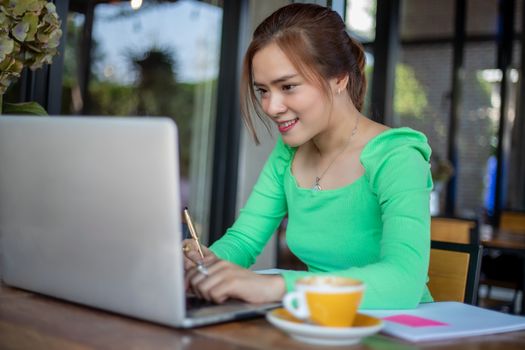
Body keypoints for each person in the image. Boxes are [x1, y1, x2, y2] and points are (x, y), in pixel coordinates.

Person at [183, 3, 433, 309]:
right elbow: (243, 241)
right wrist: (204, 263)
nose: (271, 107)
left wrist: (275, 286)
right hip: (319, 324)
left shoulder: (397, 156)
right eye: (262, 90)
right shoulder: (288, 154)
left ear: (340, 78)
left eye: (288, 86)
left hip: (395, 329)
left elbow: (404, 282)